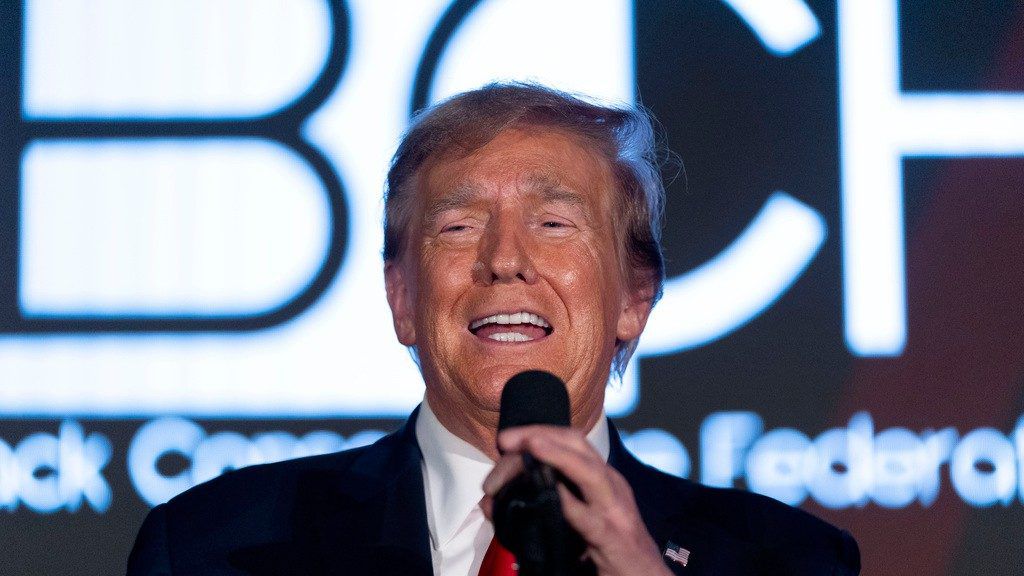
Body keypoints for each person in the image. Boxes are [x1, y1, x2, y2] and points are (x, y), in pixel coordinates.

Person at [127, 83, 860, 576]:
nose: (505, 260)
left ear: (635, 296)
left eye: (553, 223)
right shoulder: (207, 547)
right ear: (401, 298)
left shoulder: (790, 559)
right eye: (457, 225)